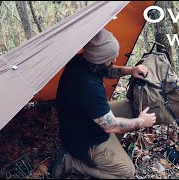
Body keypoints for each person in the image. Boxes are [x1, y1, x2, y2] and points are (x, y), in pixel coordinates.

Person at [52, 28, 156, 179]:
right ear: (100, 60)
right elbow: (111, 126)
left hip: (83, 119)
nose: (114, 61)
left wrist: (130, 70)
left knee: (129, 108)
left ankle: (111, 149)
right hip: (84, 139)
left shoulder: (83, 61)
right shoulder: (89, 87)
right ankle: (70, 162)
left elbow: (107, 70)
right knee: (127, 173)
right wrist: (141, 122)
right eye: (110, 59)